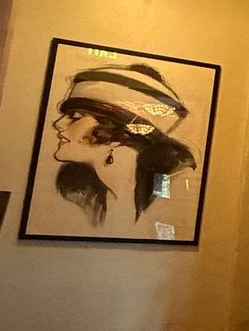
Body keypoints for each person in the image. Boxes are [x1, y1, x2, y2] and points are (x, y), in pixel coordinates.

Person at [49, 58, 197, 231]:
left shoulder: (170, 186)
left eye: (75, 117)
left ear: (118, 132)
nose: (58, 124)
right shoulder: (78, 193)